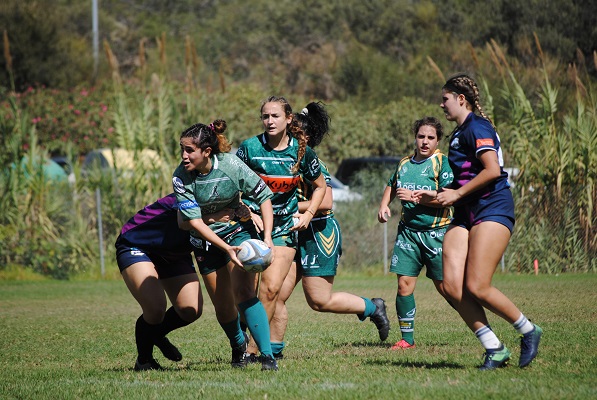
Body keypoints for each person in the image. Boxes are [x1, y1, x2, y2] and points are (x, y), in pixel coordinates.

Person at [414, 73, 542, 370]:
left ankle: (527, 329)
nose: (441, 105)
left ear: (461, 100)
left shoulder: (478, 127)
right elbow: (462, 183)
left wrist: (456, 193)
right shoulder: (458, 134)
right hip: (465, 213)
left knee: (478, 286)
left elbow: (492, 170)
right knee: (452, 287)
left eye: (445, 99)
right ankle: (494, 347)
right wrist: (430, 196)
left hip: (492, 208)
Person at [269, 102, 391, 359]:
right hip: (291, 233)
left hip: (318, 232)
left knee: (318, 301)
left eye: (291, 132)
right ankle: (272, 352)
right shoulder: (280, 160)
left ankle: (372, 307)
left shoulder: (313, 162)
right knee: (274, 293)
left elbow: (325, 202)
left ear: (304, 137)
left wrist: (287, 207)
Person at [172, 119, 279, 371]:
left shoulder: (230, 165)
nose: (184, 156)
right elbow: (192, 222)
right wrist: (224, 247)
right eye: (182, 150)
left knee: (244, 293)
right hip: (205, 244)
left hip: (238, 233)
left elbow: (264, 196)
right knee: (223, 309)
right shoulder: (180, 177)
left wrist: (268, 237)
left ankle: (267, 356)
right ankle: (237, 345)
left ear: (206, 152)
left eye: (190, 150)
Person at [235, 96, 327, 359]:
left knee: (271, 289)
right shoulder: (250, 148)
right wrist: (246, 210)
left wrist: (309, 212)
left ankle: (254, 348)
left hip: (283, 227)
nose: (269, 121)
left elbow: (320, 186)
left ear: (288, 119)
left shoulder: (301, 151)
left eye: (275, 116)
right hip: (249, 226)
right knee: (243, 294)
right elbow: (234, 184)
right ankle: (241, 336)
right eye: (265, 116)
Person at [115, 194, 252, 371]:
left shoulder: (227, 201)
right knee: (155, 309)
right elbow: (186, 221)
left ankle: (155, 334)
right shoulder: (187, 195)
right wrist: (213, 218)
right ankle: (144, 361)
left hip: (174, 254)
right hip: (138, 245)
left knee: (190, 310)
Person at [377, 116, 453, 350]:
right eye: (421, 136)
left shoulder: (442, 163)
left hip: (437, 234)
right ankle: (407, 339)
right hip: (408, 234)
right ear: (415, 137)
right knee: (404, 286)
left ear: (437, 140)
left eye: (430, 137)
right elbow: (392, 183)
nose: (425, 142)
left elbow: (446, 199)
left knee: (446, 288)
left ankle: (480, 326)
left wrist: (418, 199)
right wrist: (384, 204)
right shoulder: (404, 164)